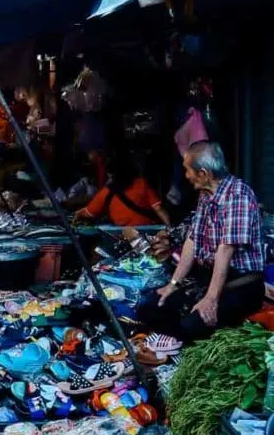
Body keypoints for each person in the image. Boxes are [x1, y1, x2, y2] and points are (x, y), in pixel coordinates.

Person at [138, 141, 264, 342]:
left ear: (204, 174)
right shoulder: (206, 195)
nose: (186, 176)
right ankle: (176, 349)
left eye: (187, 170)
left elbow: (225, 250)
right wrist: (173, 284)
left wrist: (210, 300)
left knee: (192, 325)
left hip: (241, 284)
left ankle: (183, 352)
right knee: (150, 307)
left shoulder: (238, 197)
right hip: (209, 276)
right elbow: (192, 239)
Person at [74, 157, 170, 227]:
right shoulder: (142, 184)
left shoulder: (106, 191)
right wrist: (169, 228)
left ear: (111, 175)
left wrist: (79, 214)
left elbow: (89, 213)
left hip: (120, 234)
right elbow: (158, 209)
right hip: (147, 231)